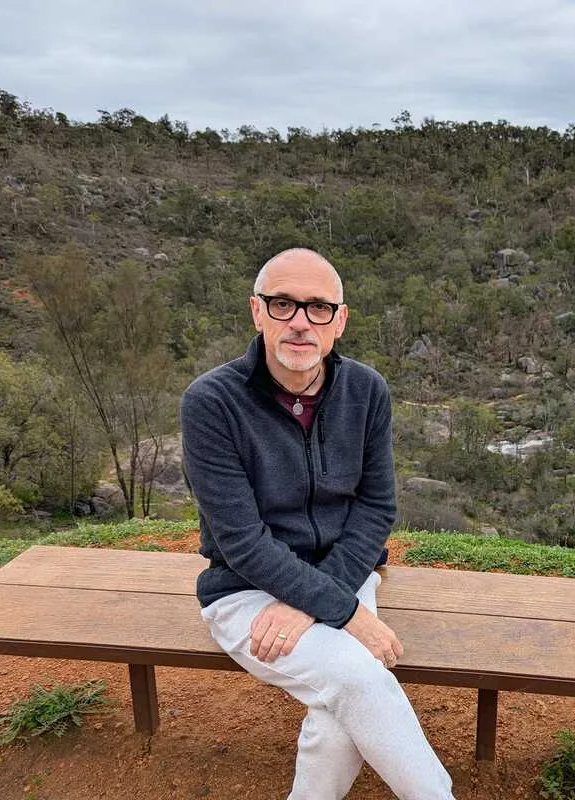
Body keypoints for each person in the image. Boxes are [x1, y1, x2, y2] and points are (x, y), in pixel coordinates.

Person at [181, 248, 455, 800]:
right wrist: (345, 613)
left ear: (340, 320)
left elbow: (375, 509)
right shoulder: (212, 402)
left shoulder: (366, 391)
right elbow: (242, 542)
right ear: (257, 311)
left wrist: (320, 601)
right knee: (357, 677)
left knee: (341, 707)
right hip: (245, 592)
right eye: (283, 304)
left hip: (344, 573)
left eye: (318, 308)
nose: (301, 322)